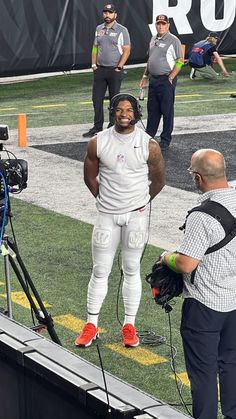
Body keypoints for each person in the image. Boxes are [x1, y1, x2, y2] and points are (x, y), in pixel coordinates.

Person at [76, 93, 165, 348]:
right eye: (119, 109)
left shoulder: (149, 144)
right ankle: (91, 324)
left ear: (137, 112)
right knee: (100, 270)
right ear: (112, 111)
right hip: (107, 215)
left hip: (136, 216)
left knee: (132, 270)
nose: (124, 113)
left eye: (128, 109)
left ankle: (130, 325)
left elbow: (159, 181)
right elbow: (89, 177)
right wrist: (106, 200)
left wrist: (140, 203)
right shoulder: (98, 142)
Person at [159, 149, 236, 419]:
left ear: (198, 178)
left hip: (205, 306)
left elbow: (186, 264)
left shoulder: (201, 216)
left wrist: (166, 257)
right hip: (235, 301)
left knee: (203, 373)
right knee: (232, 365)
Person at [82, 4, 131, 138]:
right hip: (100, 70)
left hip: (114, 70)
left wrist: (120, 66)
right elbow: (95, 47)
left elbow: (127, 49)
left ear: (115, 14)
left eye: (110, 13)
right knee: (96, 99)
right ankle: (97, 126)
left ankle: (112, 127)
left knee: (114, 101)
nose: (107, 15)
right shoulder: (99, 28)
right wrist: (93, 64)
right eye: (105, 12)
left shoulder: (122, 30)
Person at [139, 14, 184, 150]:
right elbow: (150, 59)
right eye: (158, 23)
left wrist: (171, 77)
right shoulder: (153, 39)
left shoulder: (173, 40)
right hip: (153, 79)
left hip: (166, 80)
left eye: (163, 24)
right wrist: (145, 76)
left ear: (168, 25)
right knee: (152, 109)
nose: (160, 26)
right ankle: (149, 136)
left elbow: (180, 60)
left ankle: (165, 140)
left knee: (167, 110)